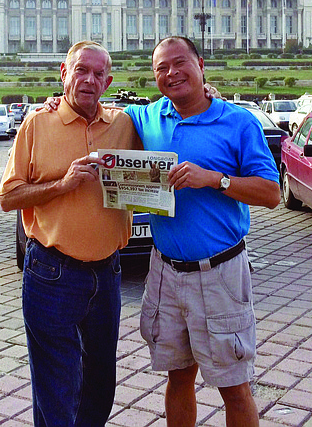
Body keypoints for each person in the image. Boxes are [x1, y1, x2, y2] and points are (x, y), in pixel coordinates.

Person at [125, 36, 280, 427]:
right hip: (164, 272)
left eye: (180, 63)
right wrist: (57, 101)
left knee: (234, 385)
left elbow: (272, 193)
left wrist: (214, 179)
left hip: (220, 274)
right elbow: (99, 118)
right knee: (178, 377)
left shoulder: (238, 122)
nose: (172, 73)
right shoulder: (147, 117)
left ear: (201, 65)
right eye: (161, 68)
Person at [0, 40, 142, 427]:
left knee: (100, 384)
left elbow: (172, 116)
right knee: (57, 387)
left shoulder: (124, 124)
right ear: (64, 73)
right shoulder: (37, 123)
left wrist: (206, 92)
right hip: (51, 273)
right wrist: (60, 185)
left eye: (98, 74)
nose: (89, 80)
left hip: (108, 275)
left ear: (108, 82)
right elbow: (8, 197)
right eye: (81, 70)